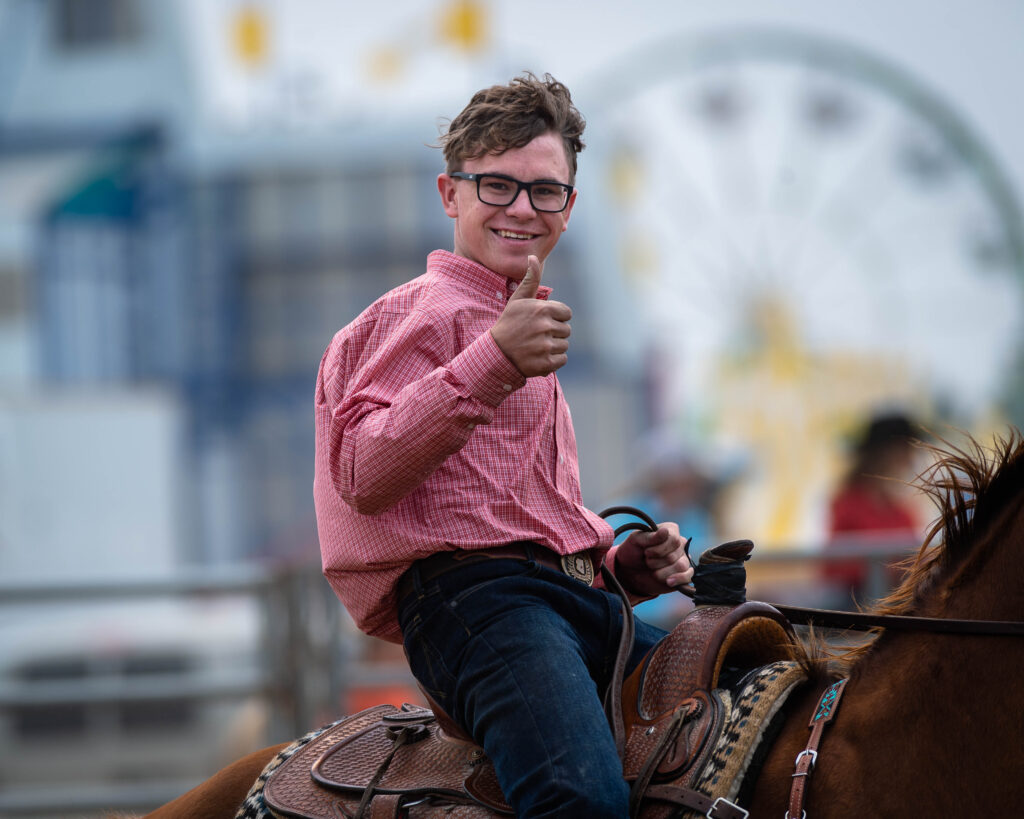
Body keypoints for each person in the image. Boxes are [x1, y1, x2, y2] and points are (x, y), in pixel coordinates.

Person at [313, 73, 693, 818]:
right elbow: (360, 471)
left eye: (544, 191)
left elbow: (506, 516)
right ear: (449, 194)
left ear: (570, 207)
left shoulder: (517, 320)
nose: (522, 208)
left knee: (756, 705)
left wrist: (620, 566)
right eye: (496, 185)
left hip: (564, 602)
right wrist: (494, 358)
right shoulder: (412, 317)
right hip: (473, 605)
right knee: (577, 799)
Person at [824, 412, 923, 602]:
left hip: (894, 599)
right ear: (883, 453)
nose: (910, 455)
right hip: (853, 601)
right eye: (904, 447)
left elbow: (914, 560)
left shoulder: (902, 510)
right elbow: (836, 569)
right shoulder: (846, 503)